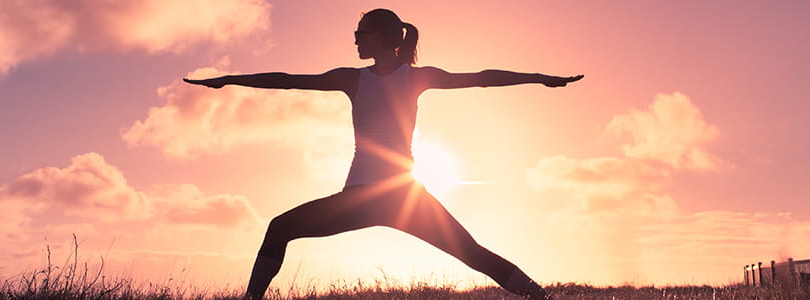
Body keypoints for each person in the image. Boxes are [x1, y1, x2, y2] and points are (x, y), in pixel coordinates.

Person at [184, 8, 581, 300]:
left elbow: (481, 79)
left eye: (359, 33)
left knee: (473, 254)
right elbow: (288, 81)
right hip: (390, 197)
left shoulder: (411, 77)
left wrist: (540, 78)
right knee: (280, 227)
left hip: (387, 197)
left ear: (377, 38)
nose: (355, 40)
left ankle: (542, 297)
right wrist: (230, 79)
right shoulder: (354, 78)